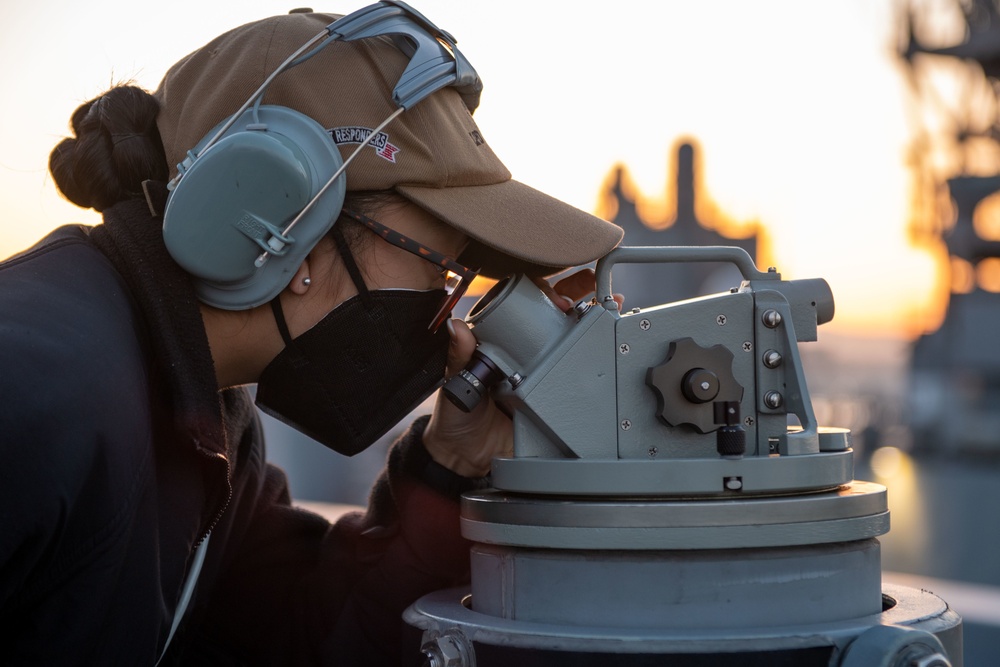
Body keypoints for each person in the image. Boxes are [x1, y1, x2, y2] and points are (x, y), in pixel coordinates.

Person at [0, 4, 622, 665]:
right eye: (441, 266)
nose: (448, 310)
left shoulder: (206, 415)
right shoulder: (31, 392)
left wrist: (449, 465)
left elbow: (292, 640)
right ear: (286, 223)